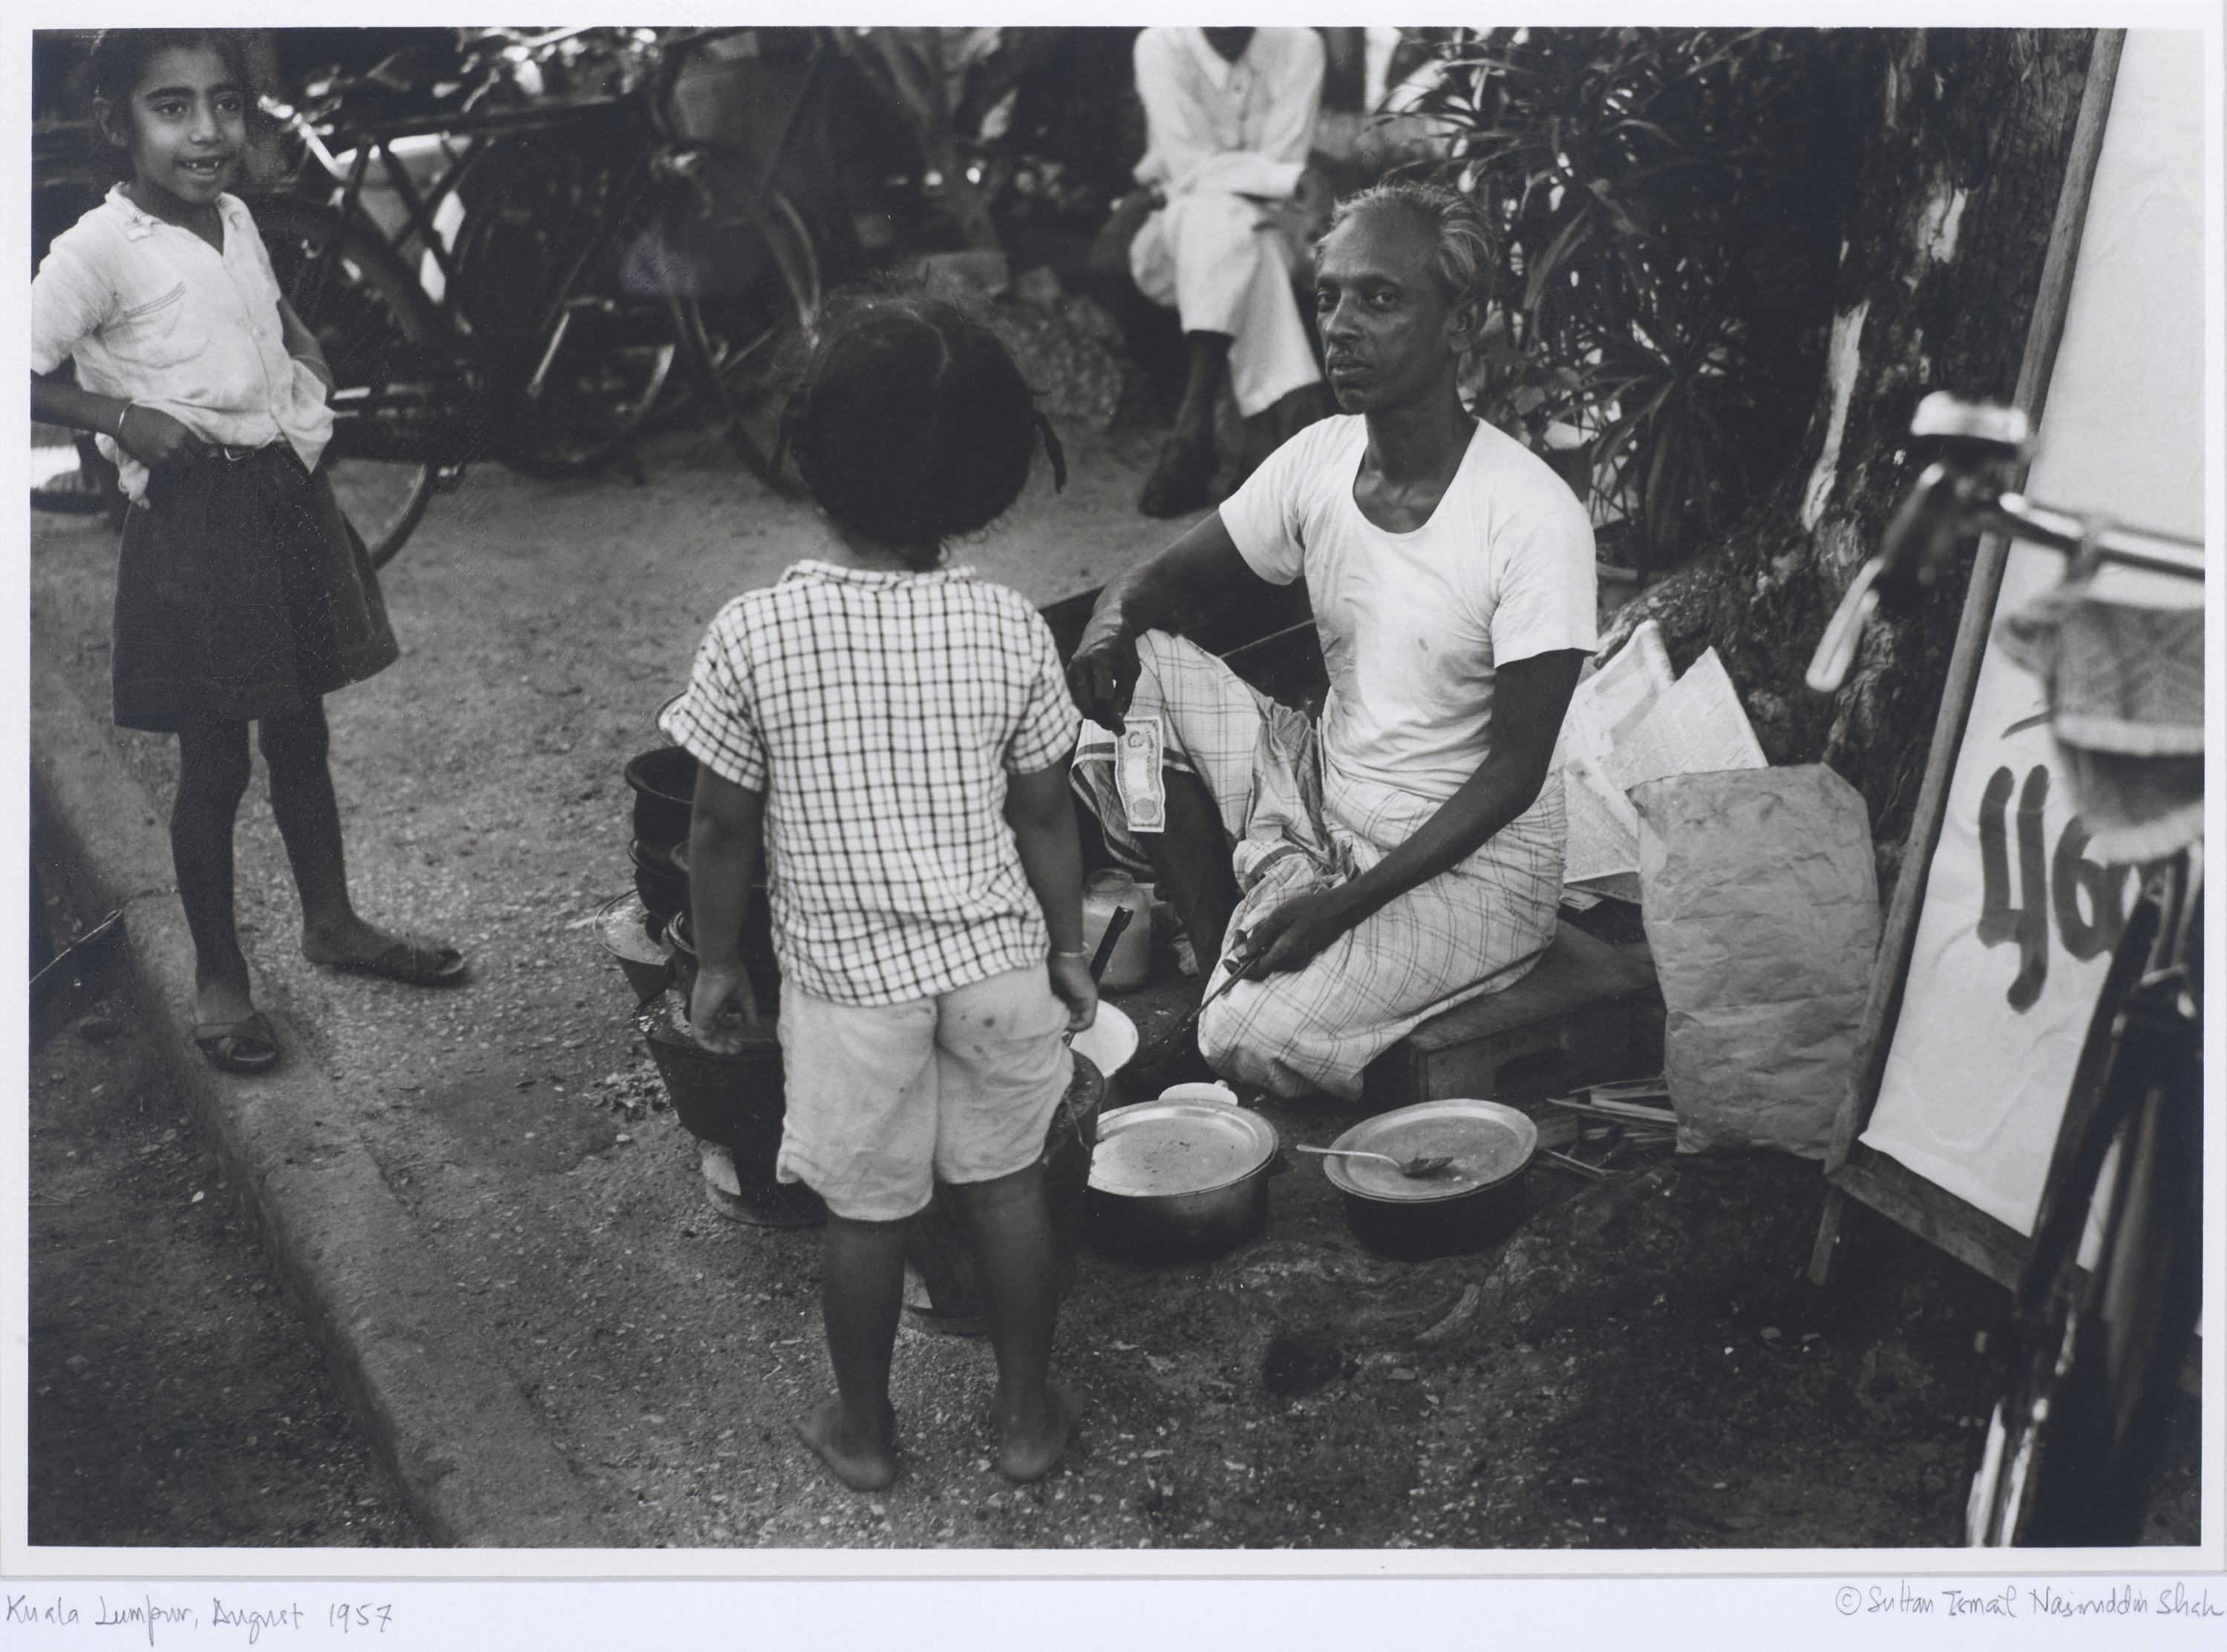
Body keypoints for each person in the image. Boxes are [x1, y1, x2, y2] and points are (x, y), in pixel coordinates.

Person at [664, 291, 1093, 1492]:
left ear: (815, 461)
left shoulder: (755, 635)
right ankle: (1021, 1420)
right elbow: (1048, 812)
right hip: (998, 967)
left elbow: (717, 824)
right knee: (1009, 1193)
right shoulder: (1007, 627)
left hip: (851, 990)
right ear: (989, 474)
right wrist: (1067, 948)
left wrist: (712, 963)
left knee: (866, 1216)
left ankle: (864, 1429)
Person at [1067, 181, 1598, 1101]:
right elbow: (1153, 585)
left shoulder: (1530, 516)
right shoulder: (1318, 457)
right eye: (1329, 297)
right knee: (1129, 704)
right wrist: (1108, 631)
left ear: (1461, 323)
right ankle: (1219, 945)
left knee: (1250, 1033)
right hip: (1320, 790)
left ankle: (1260, 989)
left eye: (1381, 299)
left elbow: (1513, 776)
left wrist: (1338, 912)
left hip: (1471, 867)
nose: (1342, 325)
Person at [30, 29, 465, 1075]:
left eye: (225, 103)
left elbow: (260, 311)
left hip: (281, 501)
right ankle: (221, 975)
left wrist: (300, 353)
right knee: (215, 758)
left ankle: (333, 921)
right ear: (115, 124)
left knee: (300, 725)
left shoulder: (233, 217)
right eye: (171, 106)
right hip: (195, 524)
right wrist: (118, 415)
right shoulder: (97, 250)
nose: (206, 129)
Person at [1111, 27, 1330, 517]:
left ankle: (1194, 431)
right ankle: (1279, 429)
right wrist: (1296, 179)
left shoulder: (1299, 43)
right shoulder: (1161, 43)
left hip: (1278, 225)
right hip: (1172, 232)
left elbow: (1280, 161)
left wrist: (1280, 178)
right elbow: (1191, 169)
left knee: (1231, 223)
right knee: (1219, 217)